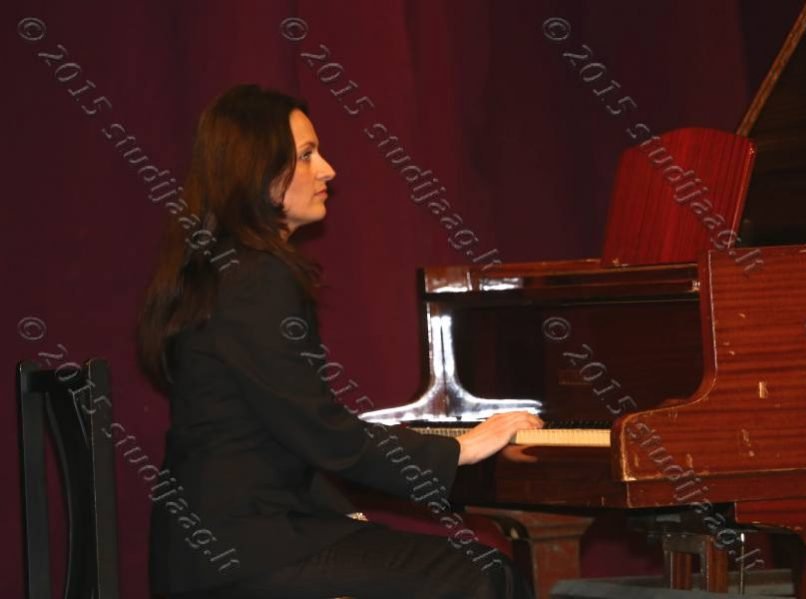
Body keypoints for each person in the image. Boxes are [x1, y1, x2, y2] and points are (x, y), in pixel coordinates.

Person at [137, 84, 542, 598]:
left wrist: (336, 508)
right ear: (257, 171)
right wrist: (461, 448)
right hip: (248, 552)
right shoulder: (256, 278)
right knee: (485, 575)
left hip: (223, 544)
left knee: (469, 566)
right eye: (307, 155)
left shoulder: (222, 267)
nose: (328, 170)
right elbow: (320, 431)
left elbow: (273, 431)